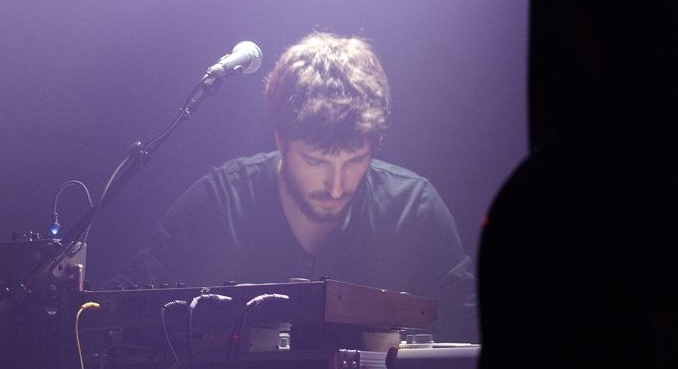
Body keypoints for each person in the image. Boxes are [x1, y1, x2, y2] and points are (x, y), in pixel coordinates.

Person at [107, 32, 477, 343]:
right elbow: (114, 317)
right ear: (280, 139)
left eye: (355, 160)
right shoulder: (222, 201)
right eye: (316, 162)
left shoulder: (414, 209)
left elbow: (472, 335)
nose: (336, 187)